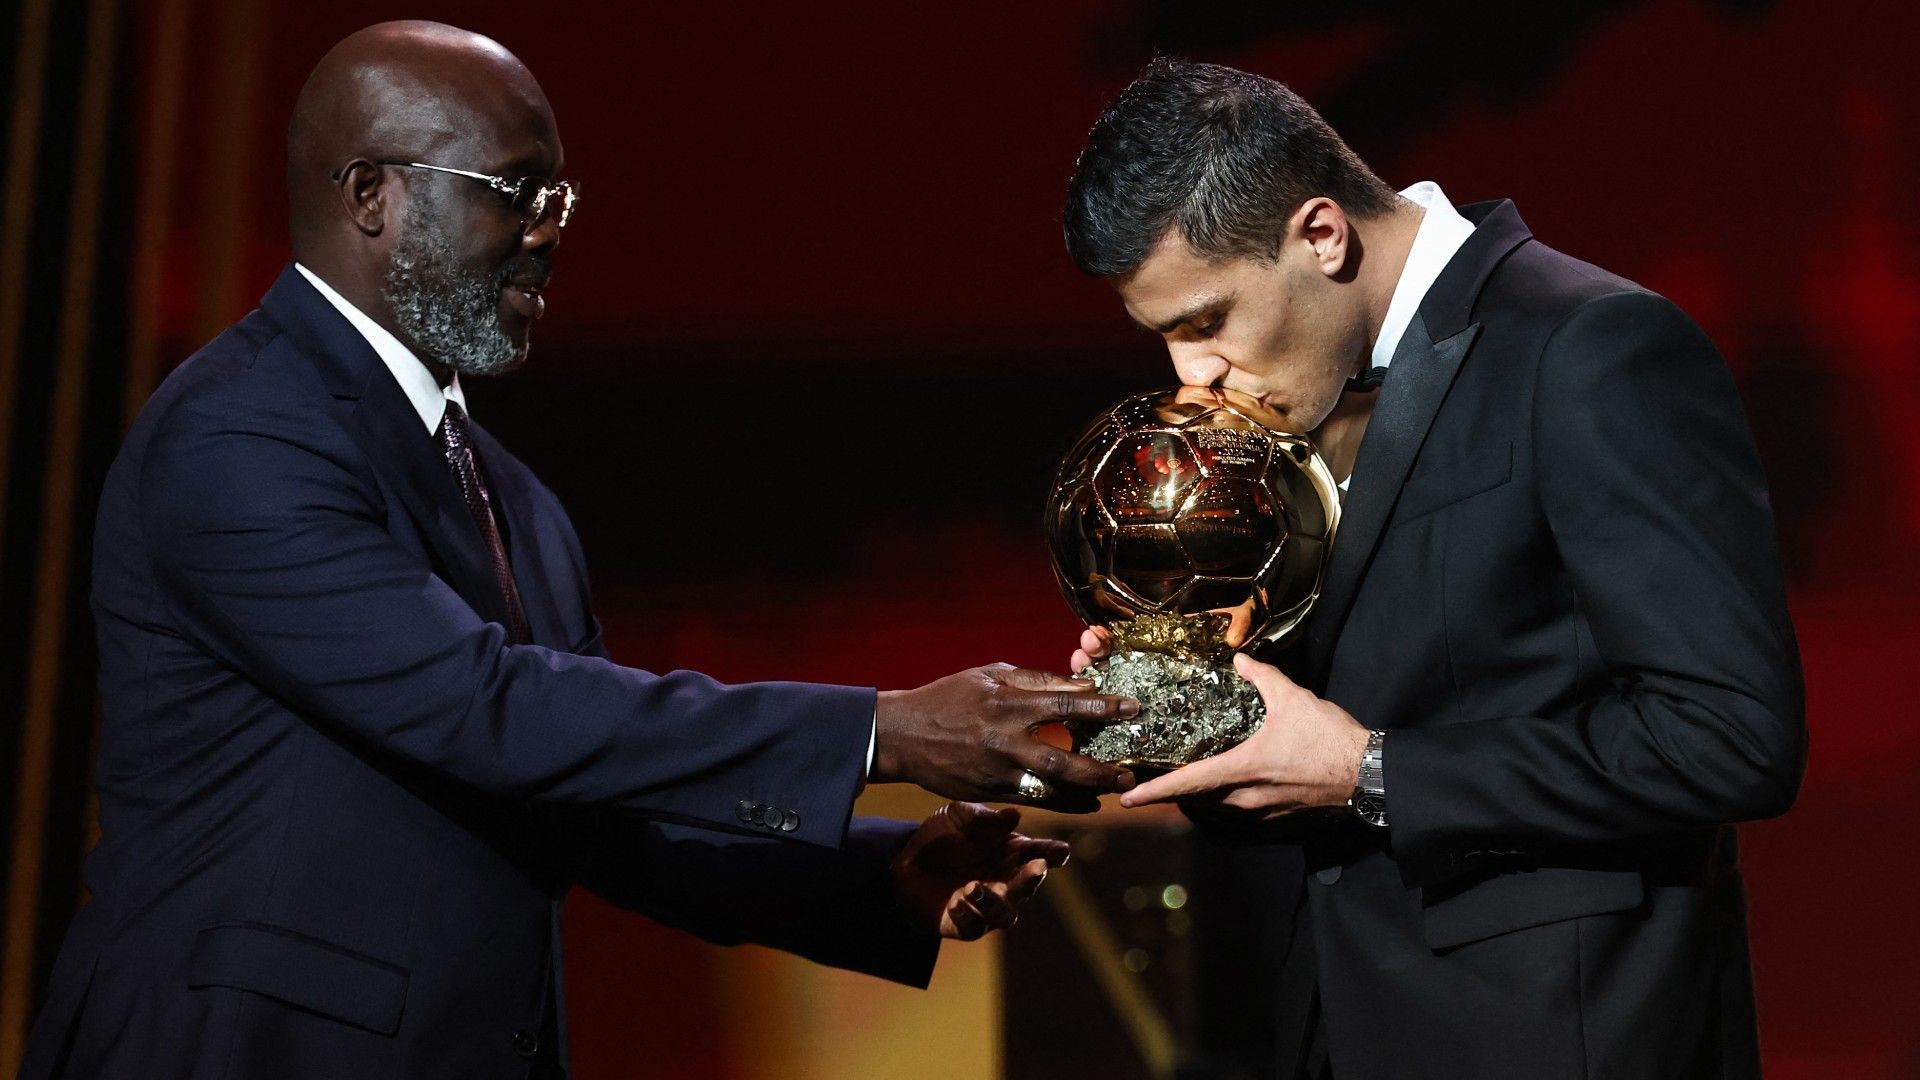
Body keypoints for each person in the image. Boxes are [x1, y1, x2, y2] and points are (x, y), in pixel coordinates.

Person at [20, 22, 1140, 1080]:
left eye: (560, 193)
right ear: (373, 195)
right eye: (516, 191)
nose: (553, 225)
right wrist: (887, 729)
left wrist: (883, 878)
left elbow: (598, 800)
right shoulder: (240, 431)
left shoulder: (510, 496)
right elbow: (482, 706)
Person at [1063, 58, 1806, 1078]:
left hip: (1558, 1038)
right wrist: (1190, 701)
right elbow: (1321, 739)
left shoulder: (1595, 349)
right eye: (1165, 337)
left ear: (1321, 235)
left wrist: (1369, 771)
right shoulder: (1289, 398)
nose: (1192, 373)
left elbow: (1732, 738)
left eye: (1204, 322)